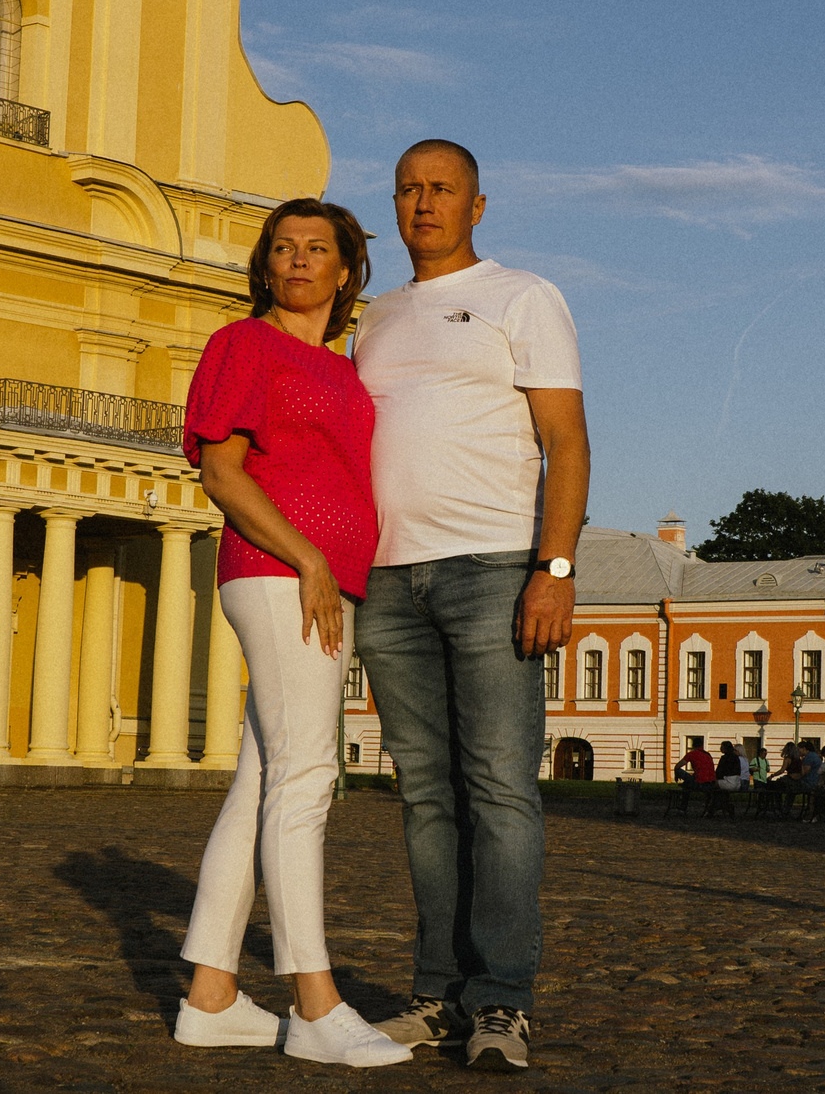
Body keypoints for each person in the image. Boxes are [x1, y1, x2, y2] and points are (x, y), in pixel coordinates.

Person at [356, 140, 591, 1074]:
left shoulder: (521, 296)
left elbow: (565, 441)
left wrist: (557, 567)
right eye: (409, 189)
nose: (424, 203)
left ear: (477, 205)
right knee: (423, 797)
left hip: (492, 567)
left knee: (498, 789)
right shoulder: (373, 316)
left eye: (441, 189)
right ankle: (436, 995)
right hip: (386, 578)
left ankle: (502, 1003)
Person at [176, 197, 409, 1067]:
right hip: (280, 577)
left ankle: (211, 995)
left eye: (318, 249)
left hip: (321, 583)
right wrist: (309, 557)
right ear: (265, 265)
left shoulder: (349, 372)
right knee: (310, 776)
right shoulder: (246, 344)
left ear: (347, 269)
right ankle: (315, 1002)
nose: (299, 260)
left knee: (263, 782)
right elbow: (220, 469)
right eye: (284, 248)